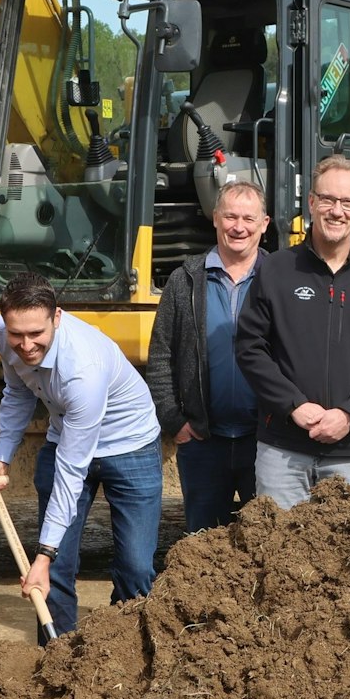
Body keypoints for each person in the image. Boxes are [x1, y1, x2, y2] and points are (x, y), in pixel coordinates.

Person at [0, 273, 162, 635]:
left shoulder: (83, 371)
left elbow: (70, 471)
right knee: (55, 571)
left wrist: (43, 555)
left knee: (136, 568)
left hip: (130, 446)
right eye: (17, 334)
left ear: (57, 318)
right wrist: (1, 457)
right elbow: (17, 391)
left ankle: (122, 646)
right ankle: (57, 655)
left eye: (36, 334)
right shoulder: (2, 332)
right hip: (65, 436)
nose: (26, 345)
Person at [234, 155, 350, 508]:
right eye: (327, 199)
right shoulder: (276, 269)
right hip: (283, 452)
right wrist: (293, 405)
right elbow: (250, 348)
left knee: (349, 542)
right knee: (279, 540)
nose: (336, 211)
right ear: (311, 202)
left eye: (347, 202)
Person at [146, 180, 268, 531]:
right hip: (203, 443)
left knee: (267, 540)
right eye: (230, 216)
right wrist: (175, 422)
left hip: (264, 442)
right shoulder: (184, 281)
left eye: (248, 218)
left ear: (264, 224)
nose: (239, 227)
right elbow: (160, 356)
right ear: (215, 218)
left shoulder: (278, 278)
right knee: (203, 541)